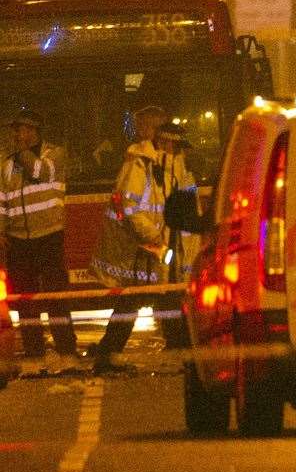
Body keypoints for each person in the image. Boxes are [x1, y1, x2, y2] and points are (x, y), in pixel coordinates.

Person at [88, 108, 193, 371]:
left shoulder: (169, 165)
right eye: (177, 145)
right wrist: (154, 236)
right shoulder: (140, 164)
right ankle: (109, 356)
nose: (181, 151)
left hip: (160, 246)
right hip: (145, 248)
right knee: (143, 299)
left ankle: (109, 355)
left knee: (160, 297)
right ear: (166, 141)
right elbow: (130, 207)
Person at [0, 109, 75, 373]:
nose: (19, 135)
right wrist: (1, 231)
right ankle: (34, 355)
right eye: (16, 130)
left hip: (49, 235)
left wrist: (20, 153)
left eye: (24, 130)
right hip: (18, 239)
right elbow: (2, 200)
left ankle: (67, 351)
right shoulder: (6, 164)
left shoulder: (54, 155)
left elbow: (40, 172)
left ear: (35, 132)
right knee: (24, 300)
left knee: (55, 296)